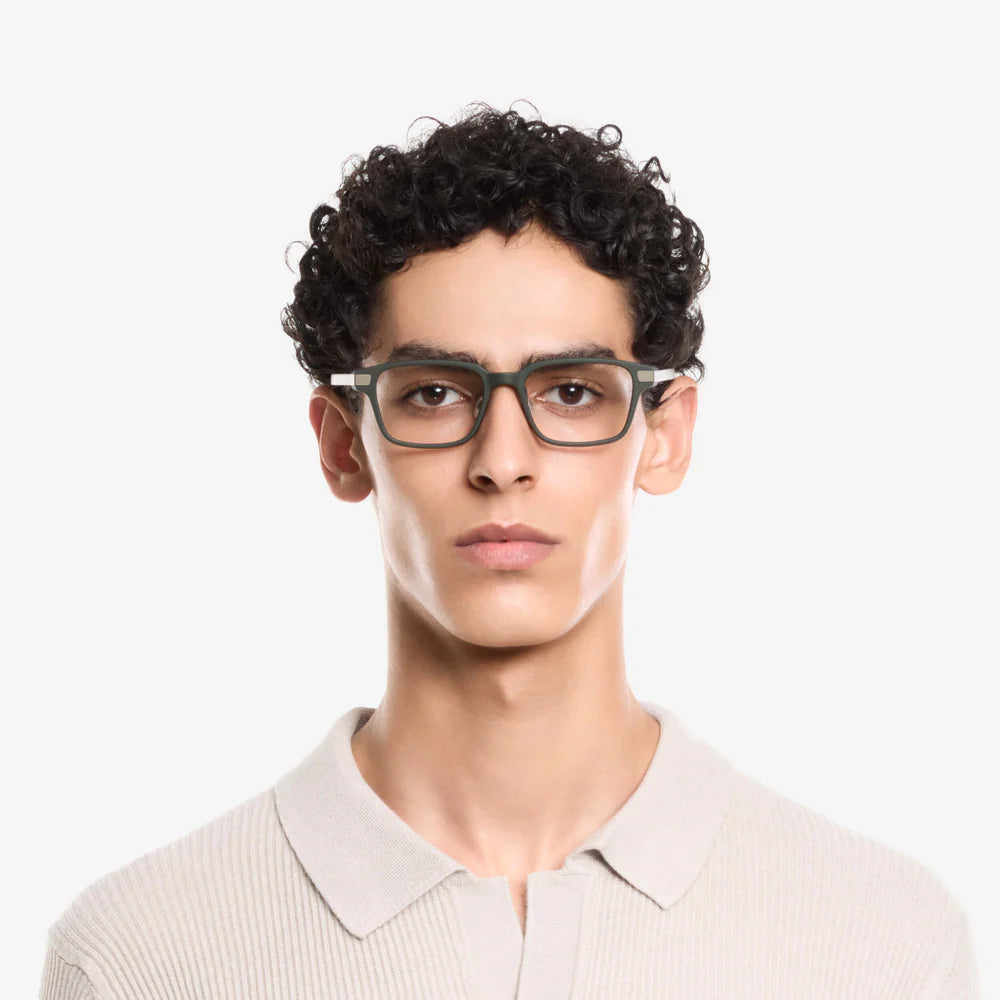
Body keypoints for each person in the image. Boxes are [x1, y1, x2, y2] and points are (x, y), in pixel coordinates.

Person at [39, 102, 979, 1000]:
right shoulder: (136, 958)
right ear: (342, 444)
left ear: (664, 436)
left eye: (571, 392)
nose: (502, 461)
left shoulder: (885, 944)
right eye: (433, 393)